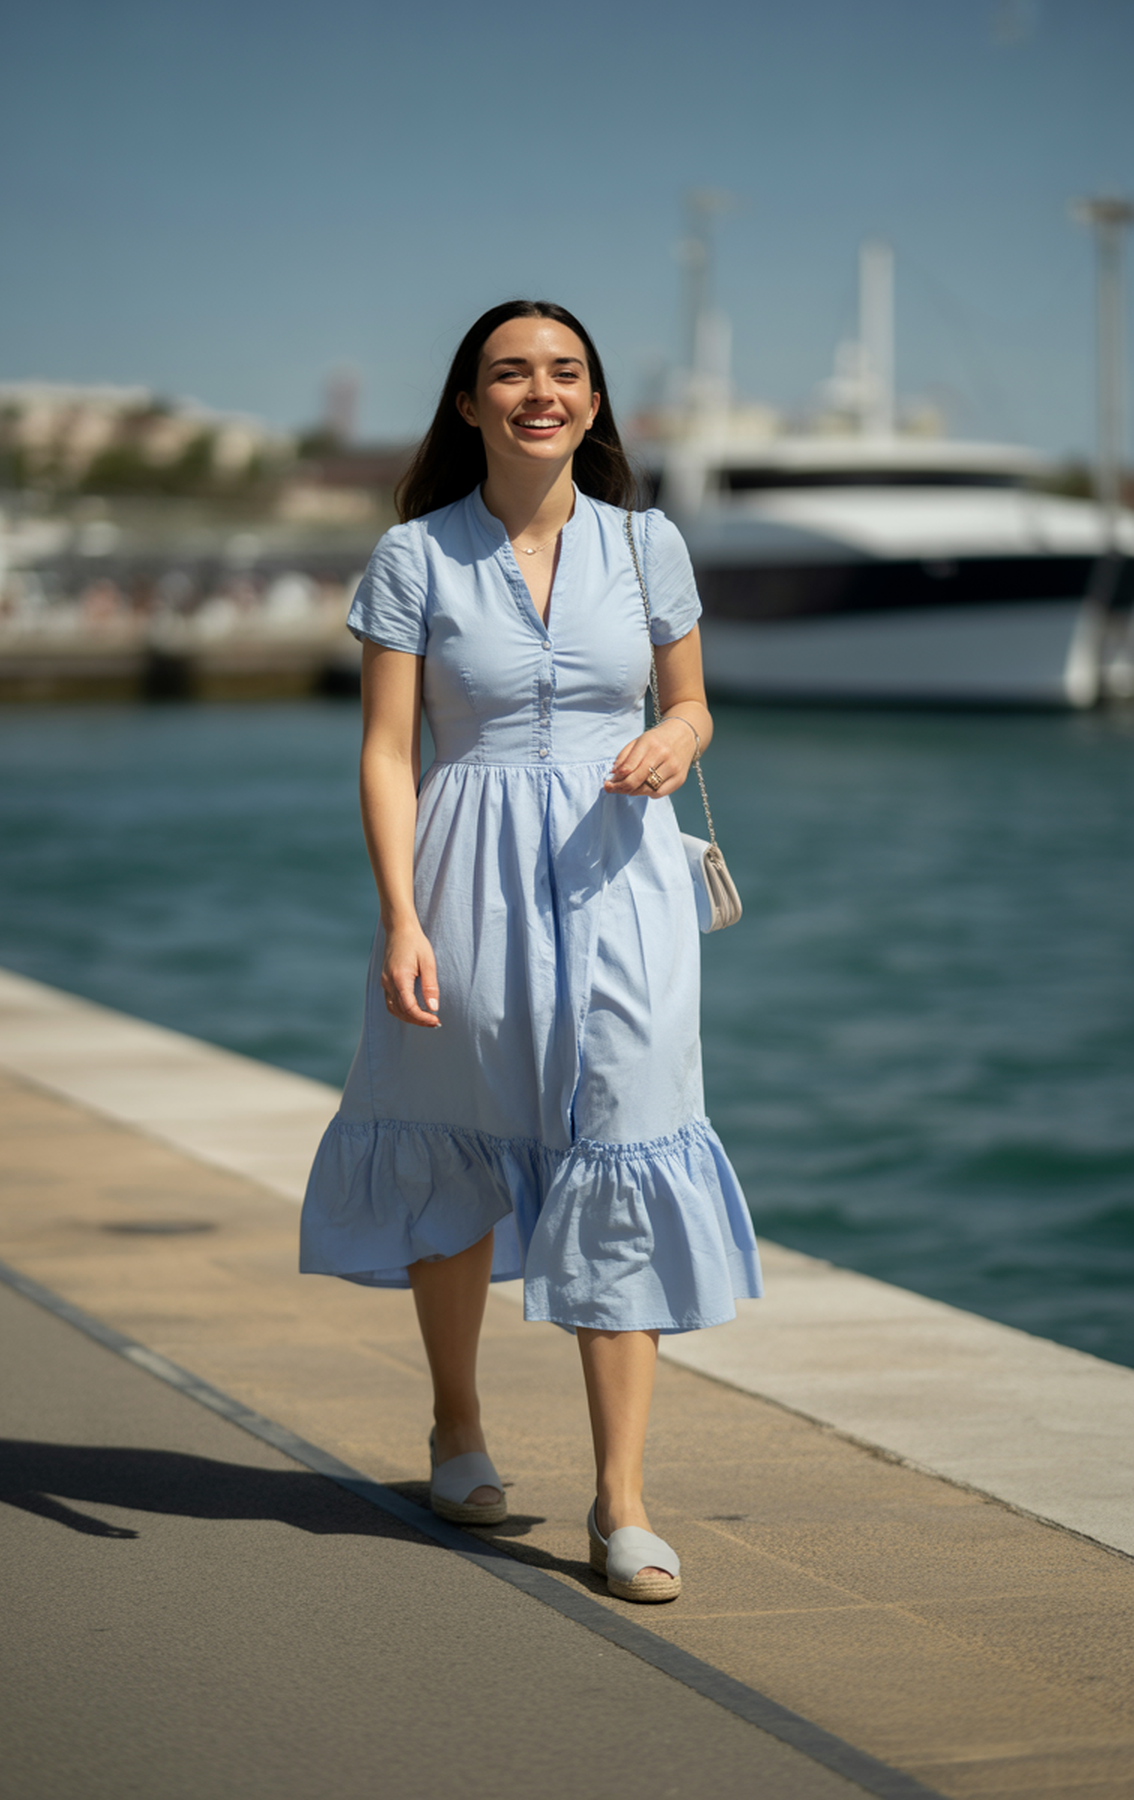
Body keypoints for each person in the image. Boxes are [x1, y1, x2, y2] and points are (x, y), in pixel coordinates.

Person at [301, 299, 762, 1602]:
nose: (539, 391)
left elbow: (693, 700)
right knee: (453, 1134)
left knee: (628, 1137)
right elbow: (387, 752)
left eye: (565, 372)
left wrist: (674, 737)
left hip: (625, 877)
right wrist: (400, 916)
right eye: (511, 373)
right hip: (465, 876)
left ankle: (622, 1502)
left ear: (595, 402)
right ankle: (457, 1429)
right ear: (469, 403)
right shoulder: (414, 556)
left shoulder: (649, 543)